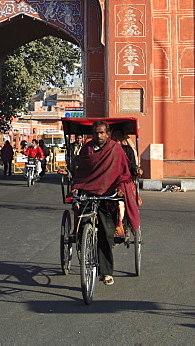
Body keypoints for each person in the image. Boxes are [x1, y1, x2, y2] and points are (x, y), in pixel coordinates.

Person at [70, 122, 140, 287]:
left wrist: (121, 188)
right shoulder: (86, 149)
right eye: (95, 133)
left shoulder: (116, 149)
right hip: (88, 192)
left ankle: (106, 272)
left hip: (108, 196)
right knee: (82, 223)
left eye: (101, 133)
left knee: (106, 235)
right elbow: (81, 171)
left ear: (107, 134)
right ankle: (84, 245)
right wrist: (76, 187)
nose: (98, 136)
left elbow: (123, 172)